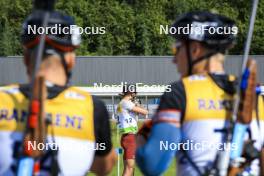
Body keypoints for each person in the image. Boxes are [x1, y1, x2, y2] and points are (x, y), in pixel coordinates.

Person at [136, 11, 262, 176]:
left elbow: (152, 164)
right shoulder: (255, 94)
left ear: (195, 49)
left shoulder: (180, 92)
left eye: (177, 49)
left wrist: (141, 137)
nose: (174, 59)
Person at [0, 9, 116, 176]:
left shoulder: (3, 99)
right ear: (70, 60)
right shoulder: (92, 108)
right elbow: (103, 167)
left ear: (26, 58)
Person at [117, 84, 148, 176]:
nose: (135, 94)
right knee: (129, 168)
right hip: (130, 138)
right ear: (131, 92)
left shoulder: (121, 103)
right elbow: (145, 112)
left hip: (126, 137)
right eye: (134, 92)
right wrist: (138, 104)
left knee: (129, 167)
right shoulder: (126, 103)